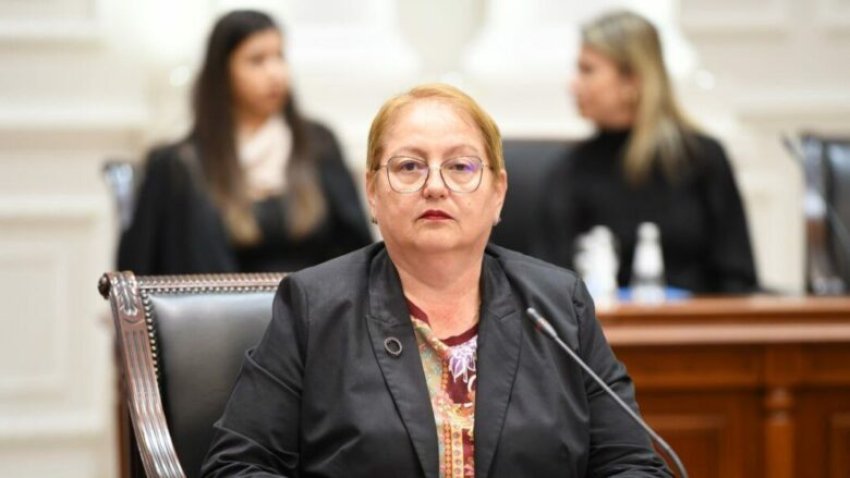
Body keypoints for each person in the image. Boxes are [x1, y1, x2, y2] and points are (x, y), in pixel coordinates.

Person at [201, 84, 670, 477]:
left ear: (498, 193)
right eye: (409, 166)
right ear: (372, 192)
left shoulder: (558, 305)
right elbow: (237, 465)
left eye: (461, 166)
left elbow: (631, 464)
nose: (435, 186)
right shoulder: (314, 306)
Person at [117, 10, 372, 274]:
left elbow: (357, 252)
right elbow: (138, 270)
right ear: (223, 72)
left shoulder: (317, 143)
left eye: (280, 56)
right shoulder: (180, 165)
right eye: (256, 60)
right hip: (219, 300)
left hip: (311, 299)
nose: (275, 73)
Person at [537, 10, 758, 294]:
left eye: (587, 70)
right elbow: (548, 284)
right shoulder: (569, 170)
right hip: (600, 322)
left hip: (697, 319)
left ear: (632, 79)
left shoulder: (702, 158)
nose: (573, 84)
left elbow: (738, 276)